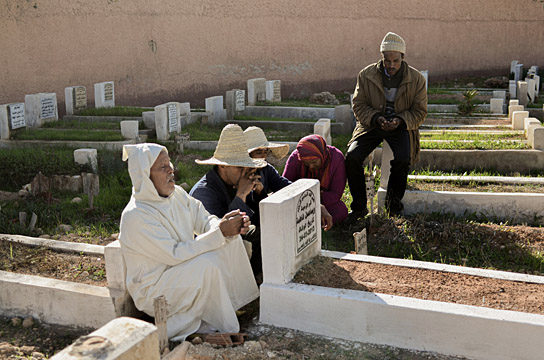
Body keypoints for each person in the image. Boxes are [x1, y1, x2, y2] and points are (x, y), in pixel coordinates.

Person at [119, 143, 259, 342]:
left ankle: (233, 305)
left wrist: (225, 226)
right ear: (145, 176)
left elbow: (203, 218)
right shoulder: (137, 215)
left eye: (170, 164)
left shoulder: (176, 194)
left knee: (231, 241)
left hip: (179, 270)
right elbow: (174, 254)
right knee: (206, 266)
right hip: (154, 288)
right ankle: (222, 326)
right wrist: (219, 233)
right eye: (162, 167)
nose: (171, 171)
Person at [345, 32, 427, 220]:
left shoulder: (416, 79)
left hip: (401, 125)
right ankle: (359, 207)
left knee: (403, 159)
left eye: (395, 61)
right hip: (371, 124)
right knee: (352, 157)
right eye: (387, 60)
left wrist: (400, 120)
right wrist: (376, 118)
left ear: (403, 58)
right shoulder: (366, 75)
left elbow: (420, 111)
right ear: (381, 58)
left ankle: (393, 205)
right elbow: (359, 105)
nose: (391, 65)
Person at [190, 124, 268, 273]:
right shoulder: (204, 193)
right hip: (206, 258)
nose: (245, 171)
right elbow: (223, 235)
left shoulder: (234, 182)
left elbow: (258, 219)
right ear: (222, 167)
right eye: (239, 167)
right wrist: (240, 195)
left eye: (246, 166)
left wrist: (259, 193)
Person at [244, 126, 333, 231]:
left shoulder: (266, 169)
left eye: (265, 151)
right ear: (247, 154)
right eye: (259, 152)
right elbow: (245, 209)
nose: (263, 156)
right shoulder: (237, 174)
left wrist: (317, 205)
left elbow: (288, 188)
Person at [282, 134, 348, 225]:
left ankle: (306, 223)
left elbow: (336, 194)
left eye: (314, 162)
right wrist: (309, 202)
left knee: (341, 211)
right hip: (298, 202)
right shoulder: (296, 157)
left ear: (322, 155)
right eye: (306, 163)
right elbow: (285, 188)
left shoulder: (336, 159)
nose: (311, 166)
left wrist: (317, 201)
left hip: (325, 202)